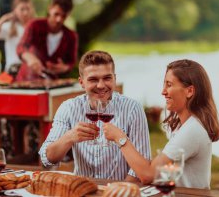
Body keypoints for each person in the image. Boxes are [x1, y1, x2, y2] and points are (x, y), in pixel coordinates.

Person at [103, 59, 219, 189]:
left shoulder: (192, 130)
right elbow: (159, 171)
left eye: (169, 85)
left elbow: (148, 175)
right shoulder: (183, 125)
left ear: (189, 91)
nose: (163, 91)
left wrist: (120, 138)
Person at [39, 50, 151, 181]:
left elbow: (142, 166)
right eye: (93, 79)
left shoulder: (133, 108)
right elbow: (46, 159)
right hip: (82, 190)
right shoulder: (68, 108)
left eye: (107, 78)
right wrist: (70, 137)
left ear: (115, 79)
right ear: (81, 82)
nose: (101, 85)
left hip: (120, 191)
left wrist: (116, 192)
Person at [16, 0, 78, 81]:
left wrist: (64, 68)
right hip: (26, 79)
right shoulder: (34, 25)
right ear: (50, 8)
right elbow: (21, 47)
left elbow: (71, 62)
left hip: (51, 82)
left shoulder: (71, 36)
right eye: (56, 14)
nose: (59, 19)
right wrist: (30, 57)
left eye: (63, 16)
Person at [0, 0, 34, 75]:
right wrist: (5, 18)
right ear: (15, 10)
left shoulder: (35, 27)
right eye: (22, 9)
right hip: (12, 70)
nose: (25, 13)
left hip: (31, 71)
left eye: (28, 9)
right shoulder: (10, 27)